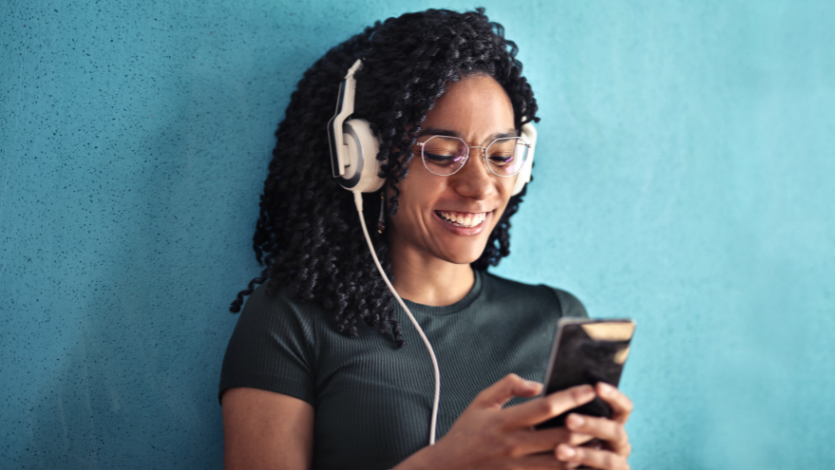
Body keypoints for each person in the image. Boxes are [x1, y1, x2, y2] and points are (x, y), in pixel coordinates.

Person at [219, 8, 633, 470]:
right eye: (441, 154)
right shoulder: (291, 321)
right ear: (365, 161)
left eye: (500, 155)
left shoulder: (557, 320)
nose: (479, 187)